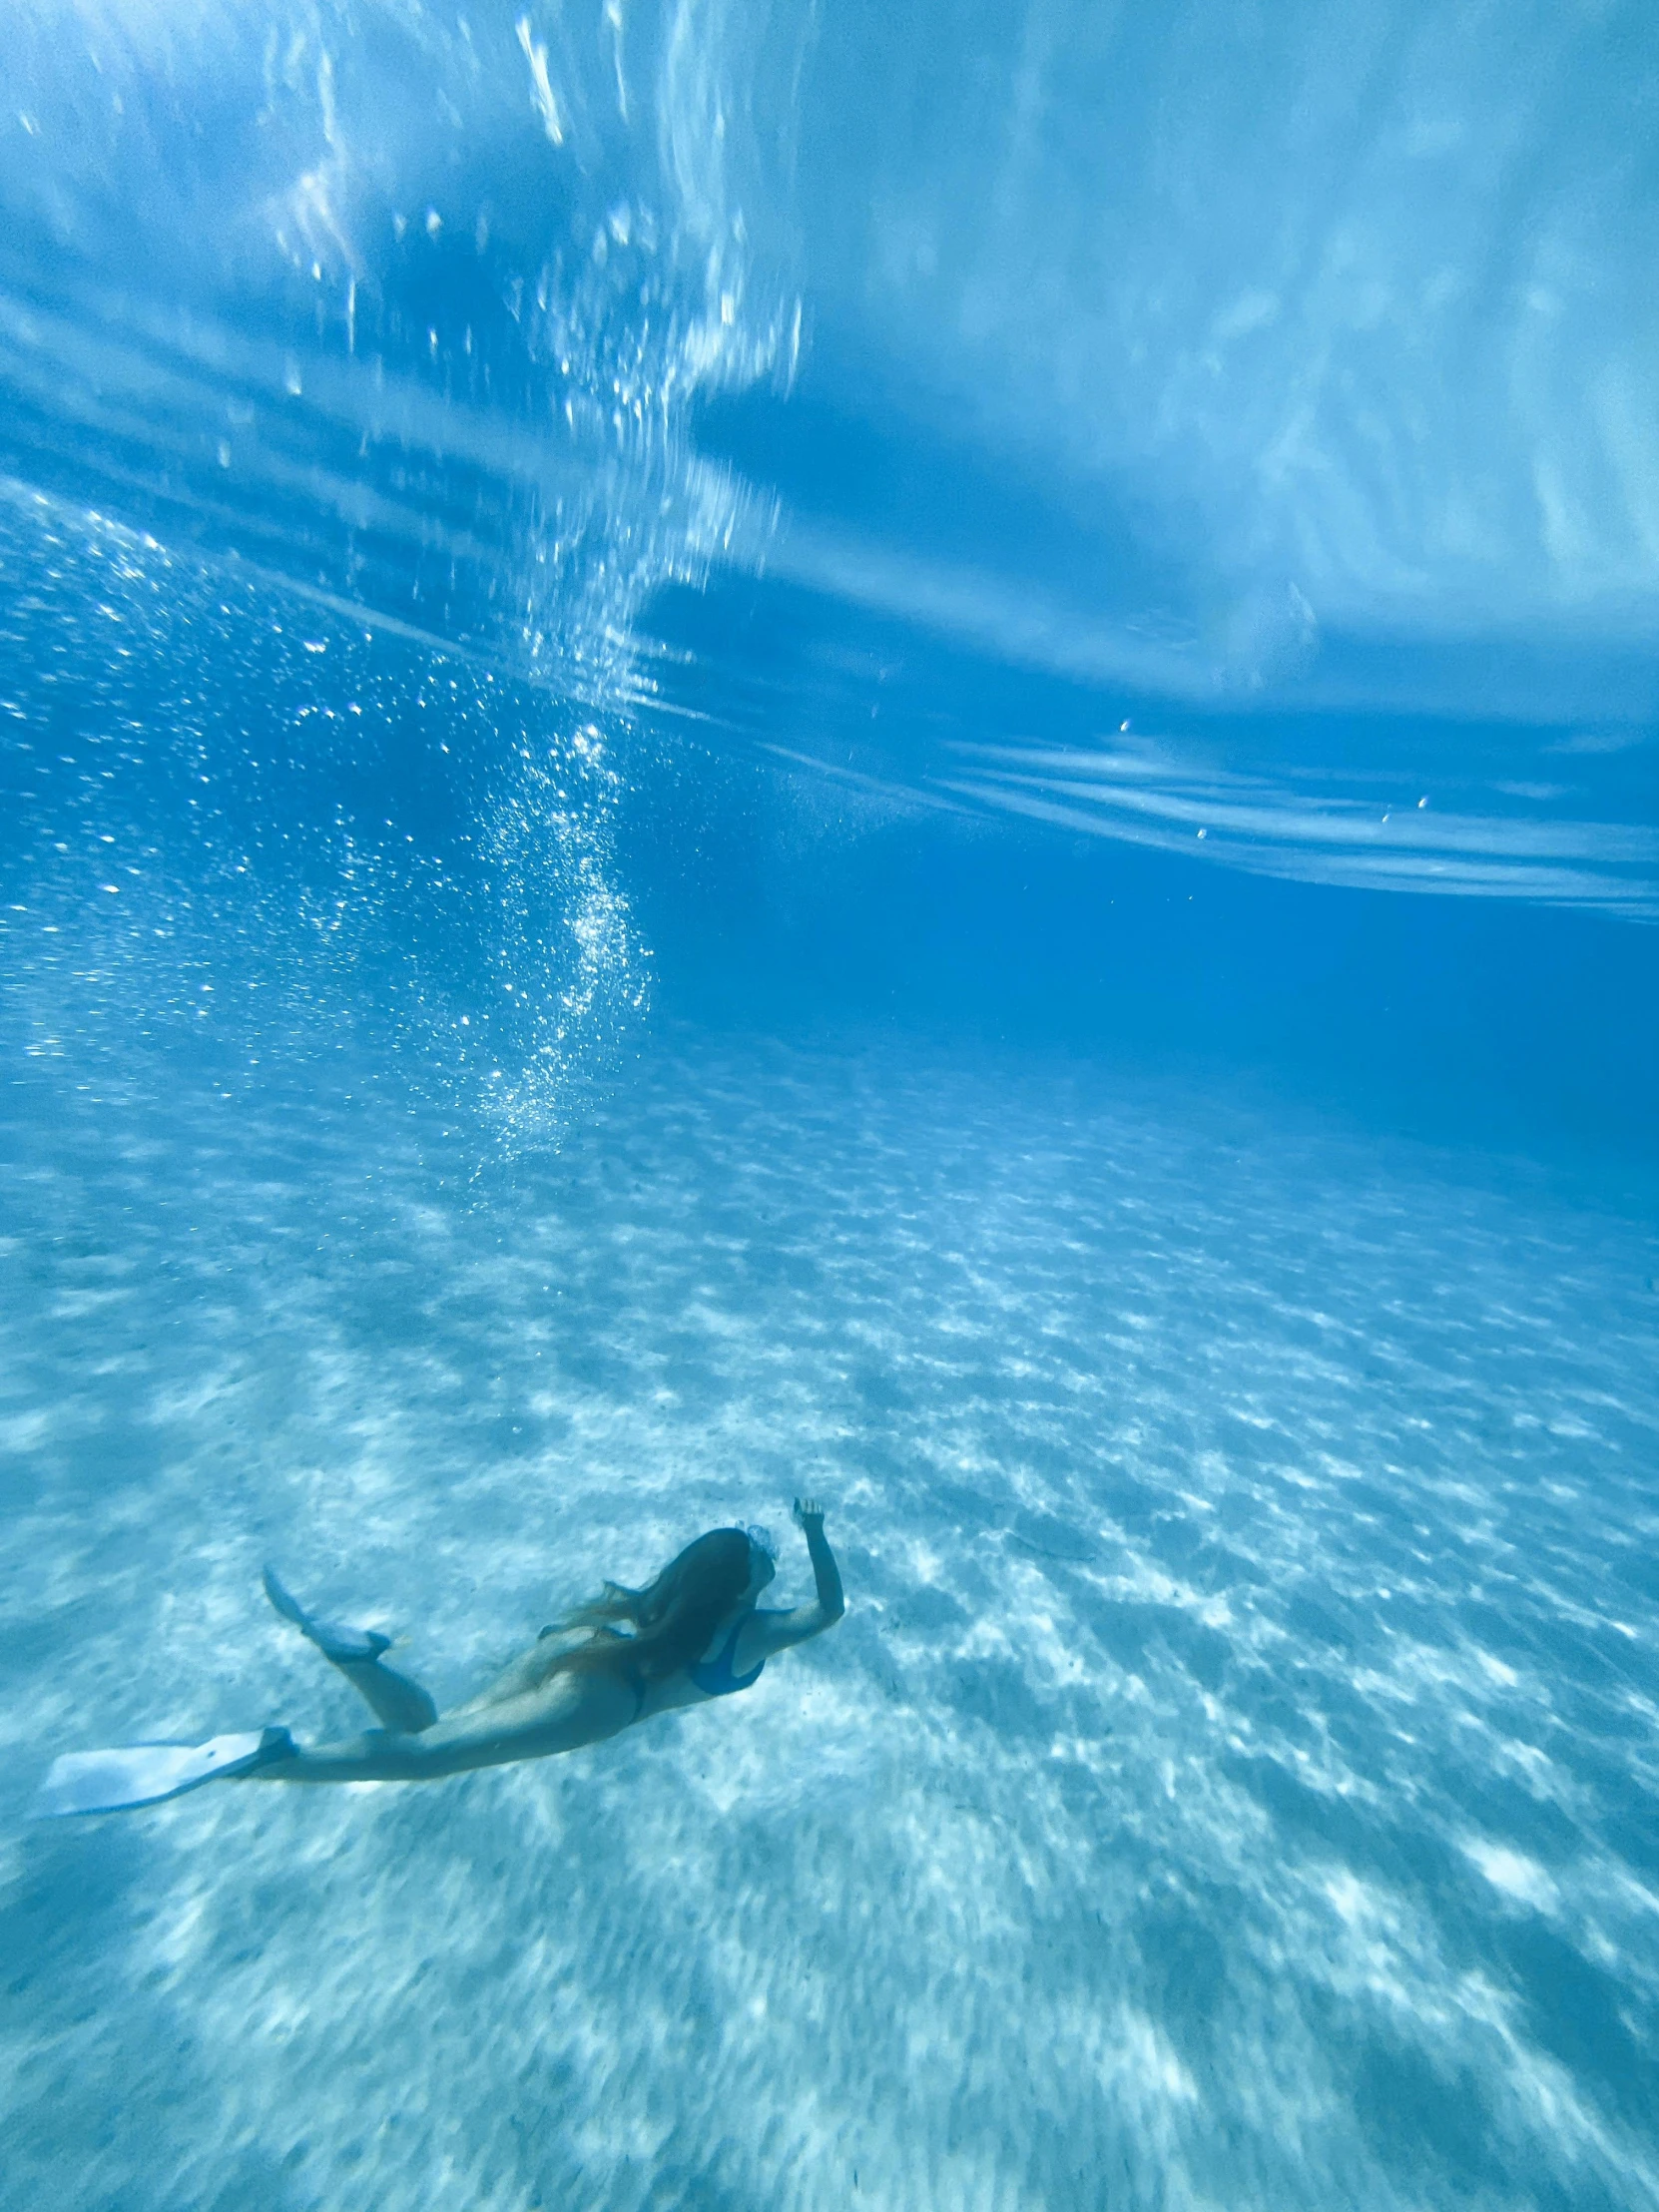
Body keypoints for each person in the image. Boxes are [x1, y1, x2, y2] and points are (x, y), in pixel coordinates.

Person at [37, 1500, 844, 1815]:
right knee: (426, 1761)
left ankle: (355, 1659)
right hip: (604, 1699)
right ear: (743, 1584)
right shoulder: (751, 1629)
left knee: (432, 1728)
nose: (772, 1567)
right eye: (764, 1559)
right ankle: (264, 1759)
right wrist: (813, 1533)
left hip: (583, 1651)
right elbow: (830, 1610)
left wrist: (790, 1536)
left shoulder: (663, 1598)